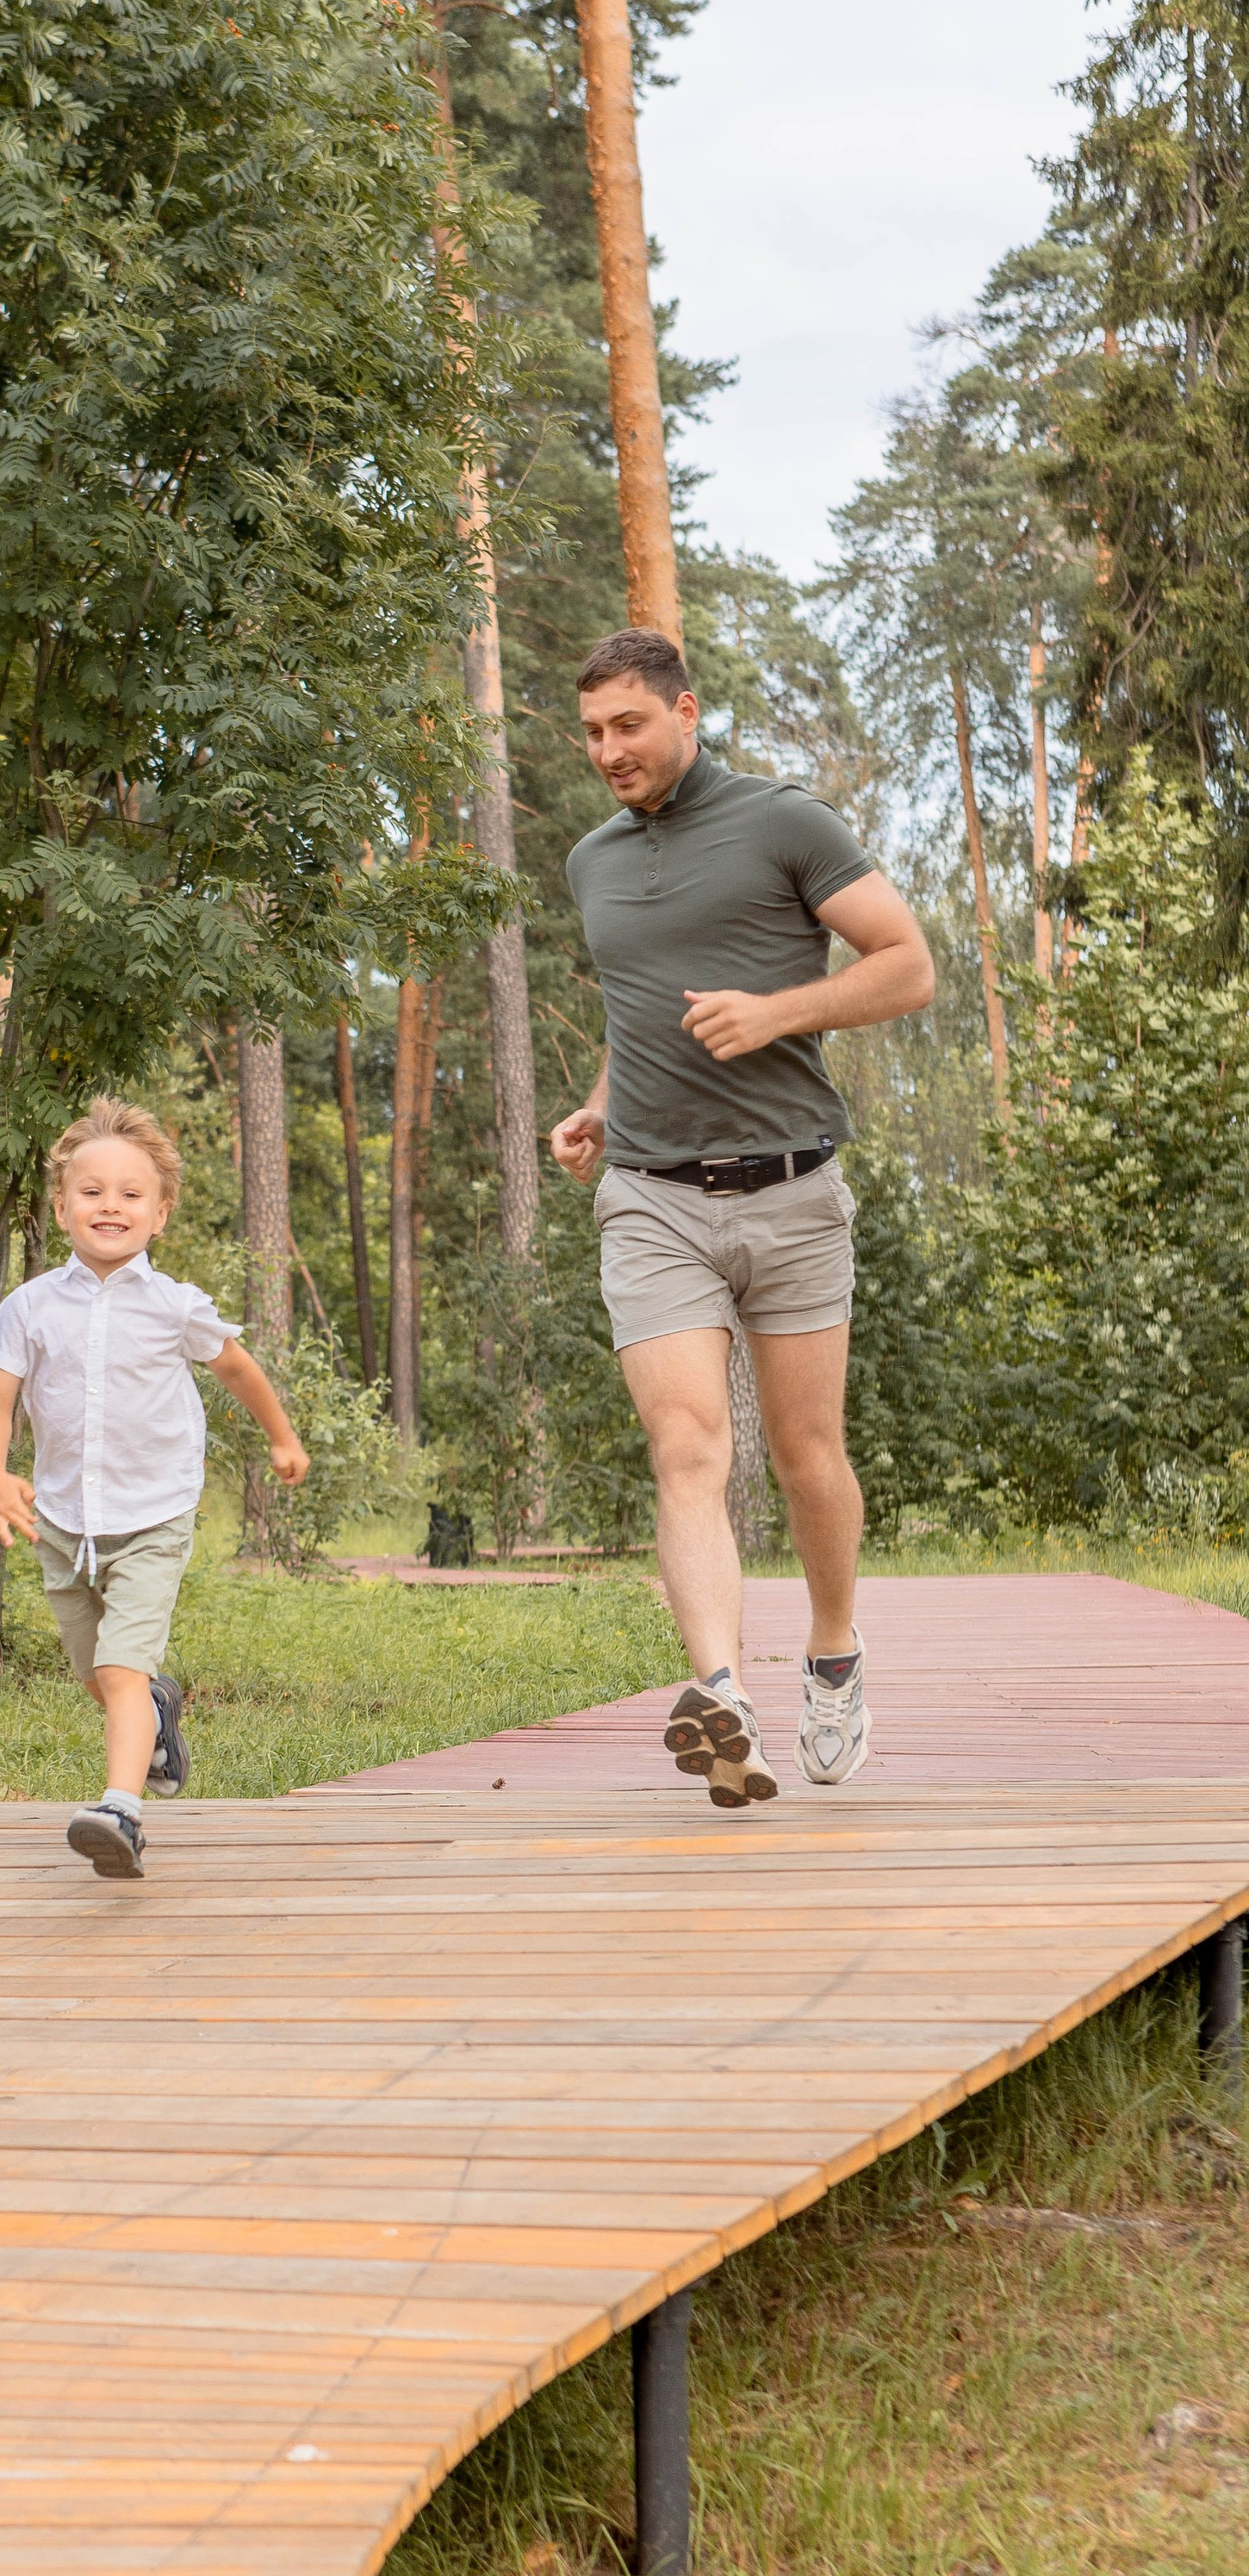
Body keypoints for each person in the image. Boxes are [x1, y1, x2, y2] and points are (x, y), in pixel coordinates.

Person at [549, 628, 935, 1806]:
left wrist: (775, 1015)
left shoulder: (787, 823)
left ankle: (831, 1653)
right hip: (654, 1198)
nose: (610, 751)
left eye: (630, 726)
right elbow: (641, 1019)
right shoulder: (592, 863)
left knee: (811, 1456)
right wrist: (604, 1108)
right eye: (594, 734)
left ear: (686, 710)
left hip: (795, 1192)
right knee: (688, 1446)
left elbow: (909, 965)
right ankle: (719, 1695)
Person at [0, 1097, 309, 1878]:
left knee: (120, 1670)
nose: (110, 1205)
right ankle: (157, 1715)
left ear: (160, 1214)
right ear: (61, 1207)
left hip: (154, 1516)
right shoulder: (30, 1307)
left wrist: (282, 1437)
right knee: (98, 1675)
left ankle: (121, 1807)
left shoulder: (174, 1305)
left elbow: (235, 1368)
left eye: (131, 1194)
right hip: (61, 1521)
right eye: (91, 1192)